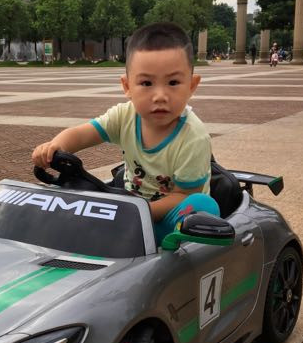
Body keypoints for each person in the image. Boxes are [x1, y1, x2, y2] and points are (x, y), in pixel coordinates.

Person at [32, 22, 216, 242]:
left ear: (192, 86)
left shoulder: (193, 137)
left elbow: (182, 196)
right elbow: (83, 134)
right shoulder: (124, 116)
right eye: (147, 83)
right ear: (127, 86)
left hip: (171, 216)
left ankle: (160, 246)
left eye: (173, 82)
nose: (160, 95)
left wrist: (138, 212)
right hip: (131, 204)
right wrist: (56, 146)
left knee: (203, 205)